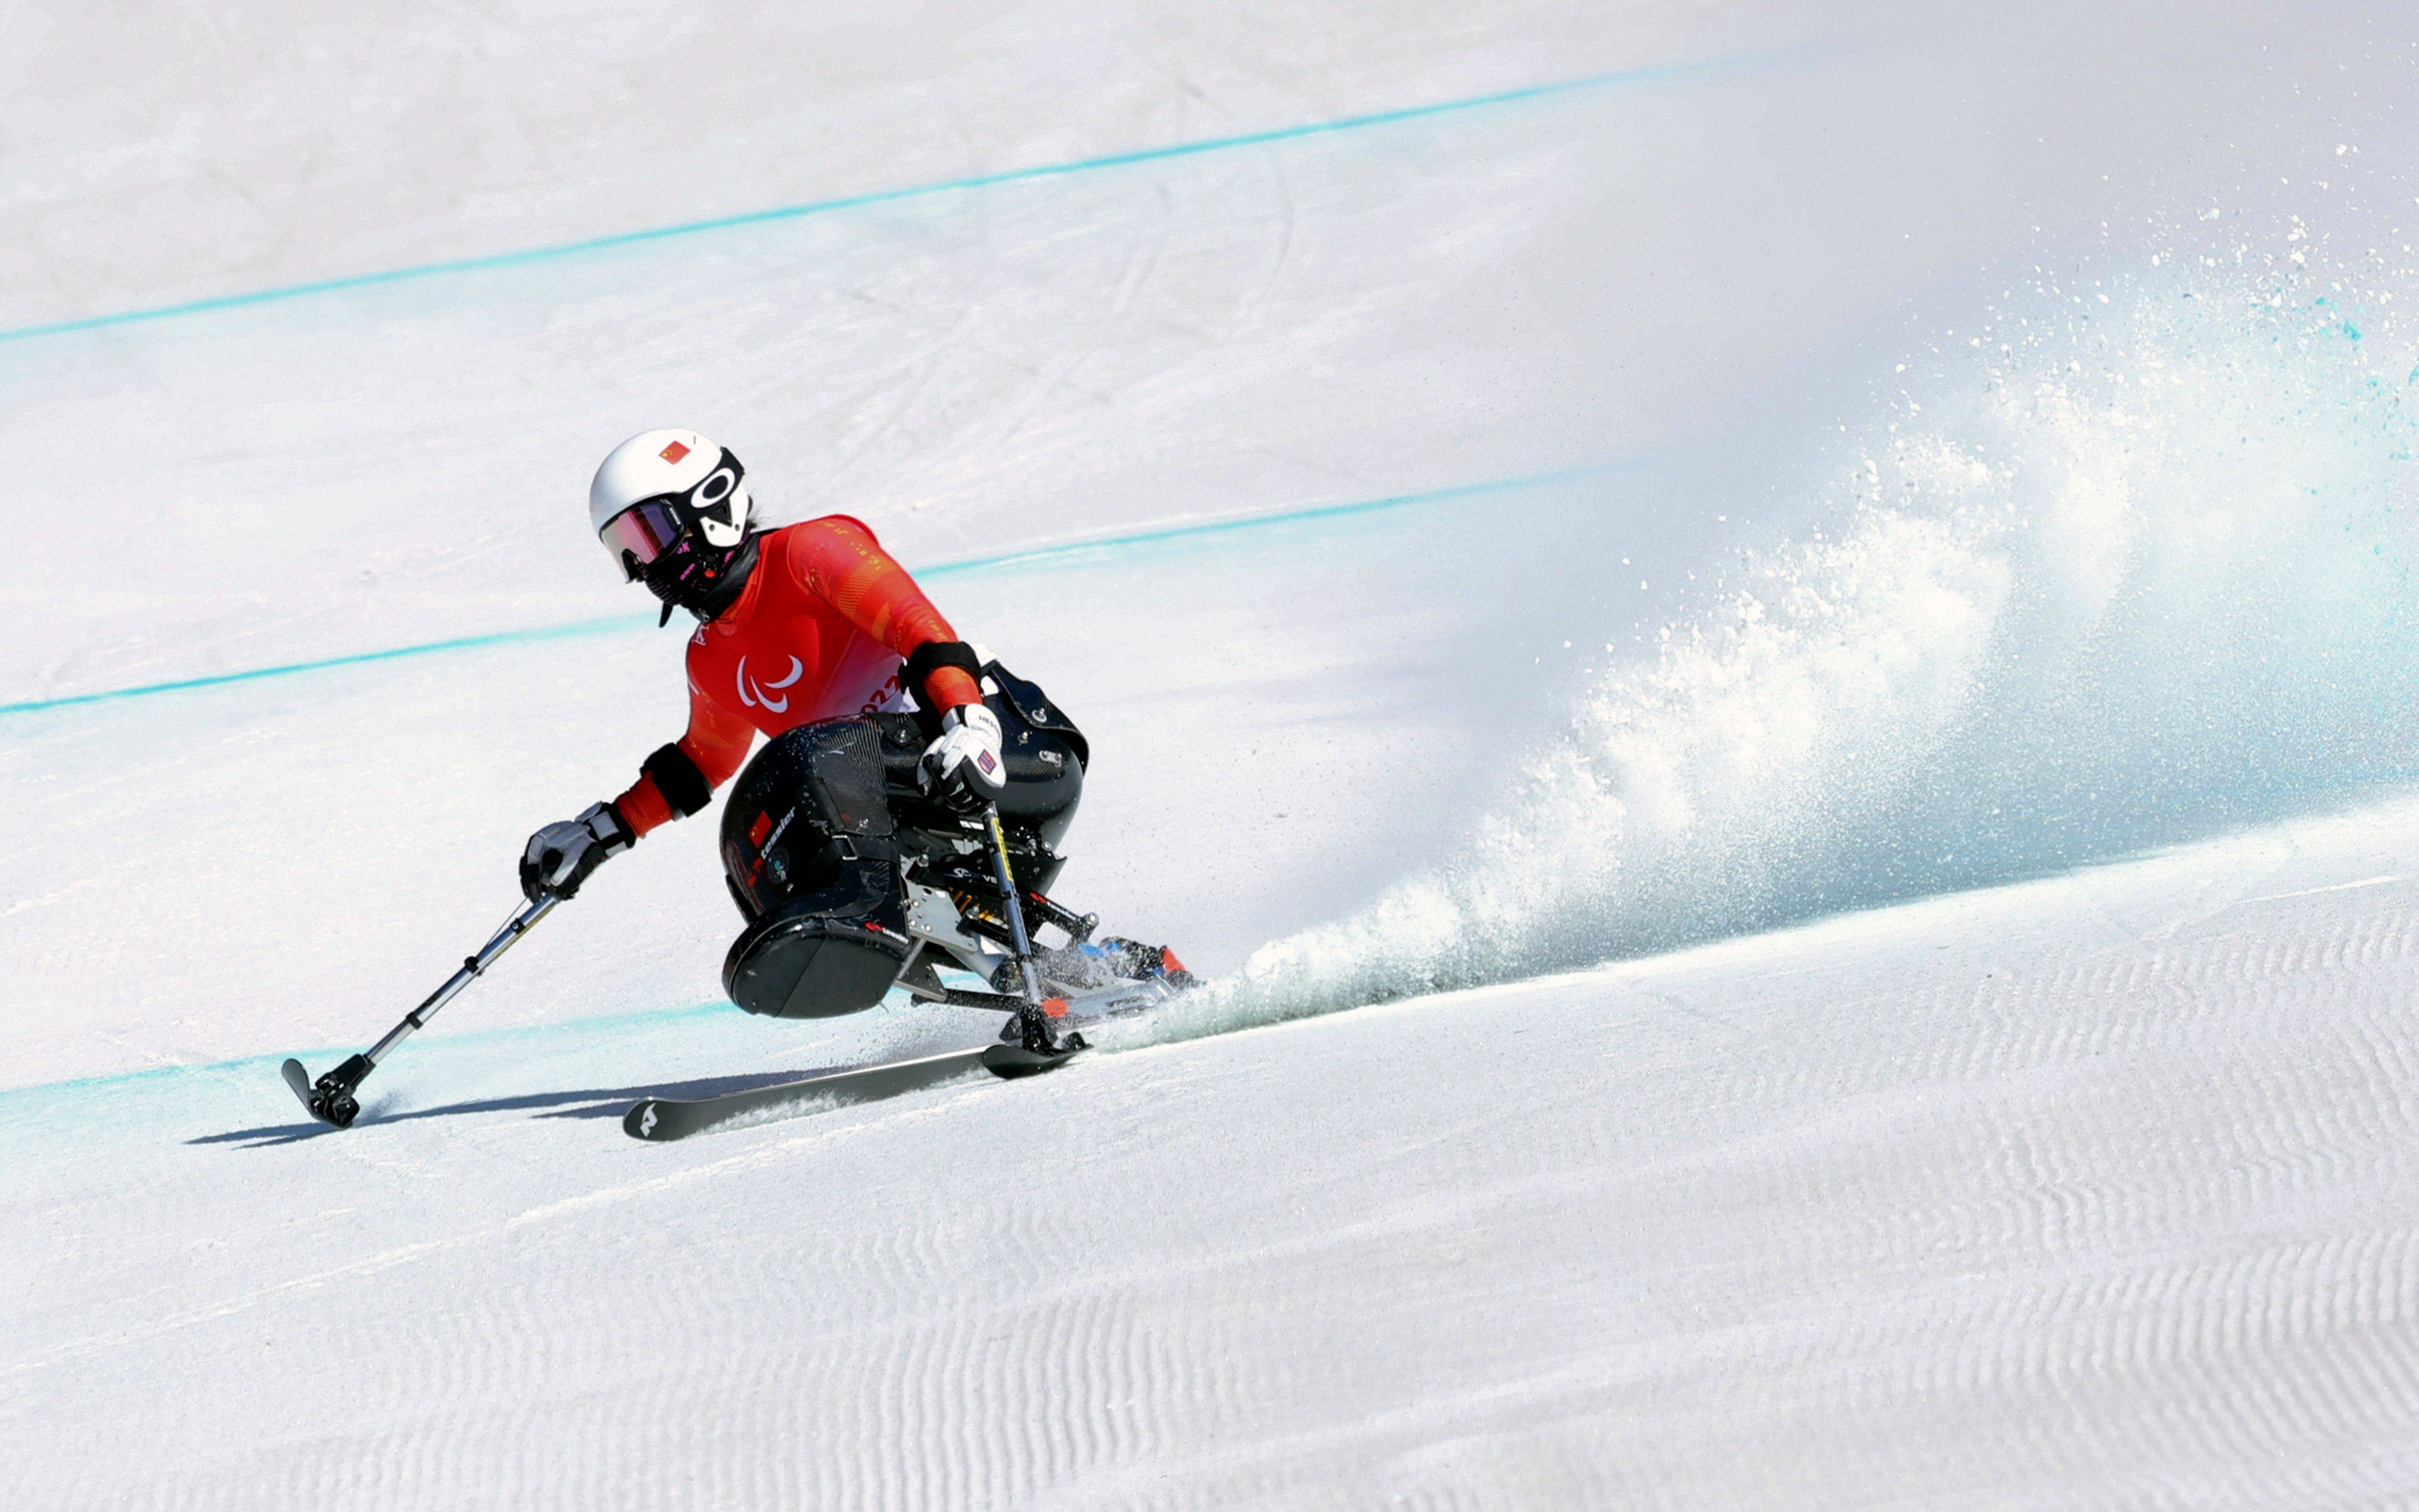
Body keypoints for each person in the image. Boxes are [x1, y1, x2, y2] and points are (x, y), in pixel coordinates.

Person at [517, 427, 1012, 914]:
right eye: (628, 551)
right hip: (884, 804)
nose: (647, 565)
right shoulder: (708, 657)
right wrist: (600, 832)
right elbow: (703, 760)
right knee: (770, 842)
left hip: (973, 744)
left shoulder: (808, 553)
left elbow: (922, 633)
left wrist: (968, 721)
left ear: (712, 504)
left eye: (651, 535)